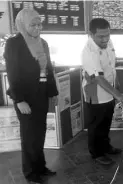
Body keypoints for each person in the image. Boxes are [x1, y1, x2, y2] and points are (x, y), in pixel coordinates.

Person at [4, 9, 58, 183]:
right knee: (29, 136)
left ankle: (40, 166)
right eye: (32, 25)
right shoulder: (14, 43)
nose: (37, 28)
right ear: (22, 25)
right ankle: (30, 172)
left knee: (40, 132)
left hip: (41, 94)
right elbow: (13, 74)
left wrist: (52, 93)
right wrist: (19, 100)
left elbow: (48, 69)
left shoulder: (43, 42)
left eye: (39, 24)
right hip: (25, 98)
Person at [81, 18, 123, 165]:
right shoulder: (88, 52)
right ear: (91, 34)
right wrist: (117, 94)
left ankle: (106, 146)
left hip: (109, 89)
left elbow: (111, 65)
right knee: (96, 124)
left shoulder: (108, 42)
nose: (105, 39)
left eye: (108, 35)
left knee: (107, 120)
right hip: (95, 92)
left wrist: (116, 84)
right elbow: (99, 79)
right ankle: (96, 153)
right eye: (101, 36)